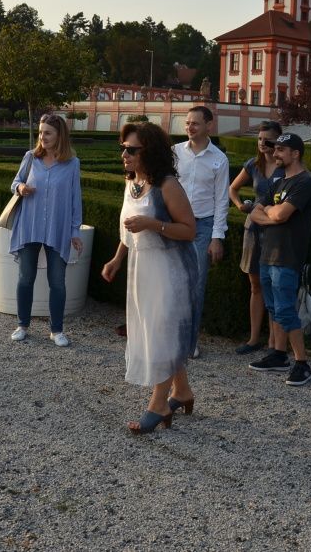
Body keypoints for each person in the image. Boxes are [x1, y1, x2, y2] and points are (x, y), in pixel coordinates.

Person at [101, 122, 199, 434]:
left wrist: (153, 224)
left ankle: (158, 405)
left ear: (150, 151)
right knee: (154, 331)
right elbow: (129, 228)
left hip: (170, 270)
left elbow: (189, 230)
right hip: (142, 266)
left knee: (163, 332)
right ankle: (181, 392)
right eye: (123, 148)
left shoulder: (167, 185)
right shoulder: (132, 182)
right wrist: (117, 258)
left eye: (132, 149)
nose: (124, 154)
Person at [246, 133, 311, 386]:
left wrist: (271, 213)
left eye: (280, 150)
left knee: (286, 310)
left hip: (287, 256)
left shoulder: (305, 182)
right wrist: (272, 215)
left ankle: (302, 363)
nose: (274, 154)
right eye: (275, 149)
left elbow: (281, 214)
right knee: (273, 308)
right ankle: (279, 355)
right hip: (268, 253)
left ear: (295, 154)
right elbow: (256, 213)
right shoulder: (278, 182)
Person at [8, 113, 83, 347]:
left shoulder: (72, 164)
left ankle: (57, 330)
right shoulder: (31, 157)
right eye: (40, 132)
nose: (42, 137)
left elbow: (75, 200)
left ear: (60, 135)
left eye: (47, 133)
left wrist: (75, 231)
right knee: (25, 278)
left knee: (57, 281)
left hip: (57, 229)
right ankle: (22, 325)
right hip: (29, 225)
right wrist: (20, 188)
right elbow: (14, 182)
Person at [172, 106, 229, 358]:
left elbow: (222, 201)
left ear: (209, 125)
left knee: (195, 286)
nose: (189, 127)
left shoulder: (219, 159)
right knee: (171, 282)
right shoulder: (175, 152)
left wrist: (217, 237)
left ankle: (190, 341)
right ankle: (169, 337)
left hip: (203, 226)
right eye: (187, 123)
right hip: (175, 223)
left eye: (195, 123)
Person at [228, 120, 285, 354]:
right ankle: (253, 339)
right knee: (256, 286)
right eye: (260, 139)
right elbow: (232, 188)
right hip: (253, 228)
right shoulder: (253, 164)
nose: (262, 143)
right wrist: (240, 205)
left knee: (273, 285)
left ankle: (273, 341)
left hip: (276, 230)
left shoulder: (286, 165)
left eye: (267, 140)